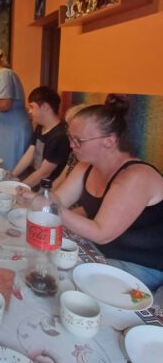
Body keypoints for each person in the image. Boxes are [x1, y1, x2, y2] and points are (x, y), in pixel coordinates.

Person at [20, 95, 163, 291]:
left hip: (140, 263)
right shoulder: (86, 166)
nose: (71, 145)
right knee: (37, 264)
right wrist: (32, 198)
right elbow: (59, 200)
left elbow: (101, 233)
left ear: (109, 141)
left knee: (62, 284)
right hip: (101, 251)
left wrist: (48, 205)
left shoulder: (136, 176)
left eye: (78, 140)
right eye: (71, 138)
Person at [12, 86, 70, 188]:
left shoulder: (60, 136)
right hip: (36, 180)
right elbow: (29, 154)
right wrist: (11, 176)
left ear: (45, 107)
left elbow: (44, 172)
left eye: (32, 107)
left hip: (50, 188)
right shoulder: (40, 127)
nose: (29, 111)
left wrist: (18, 188)